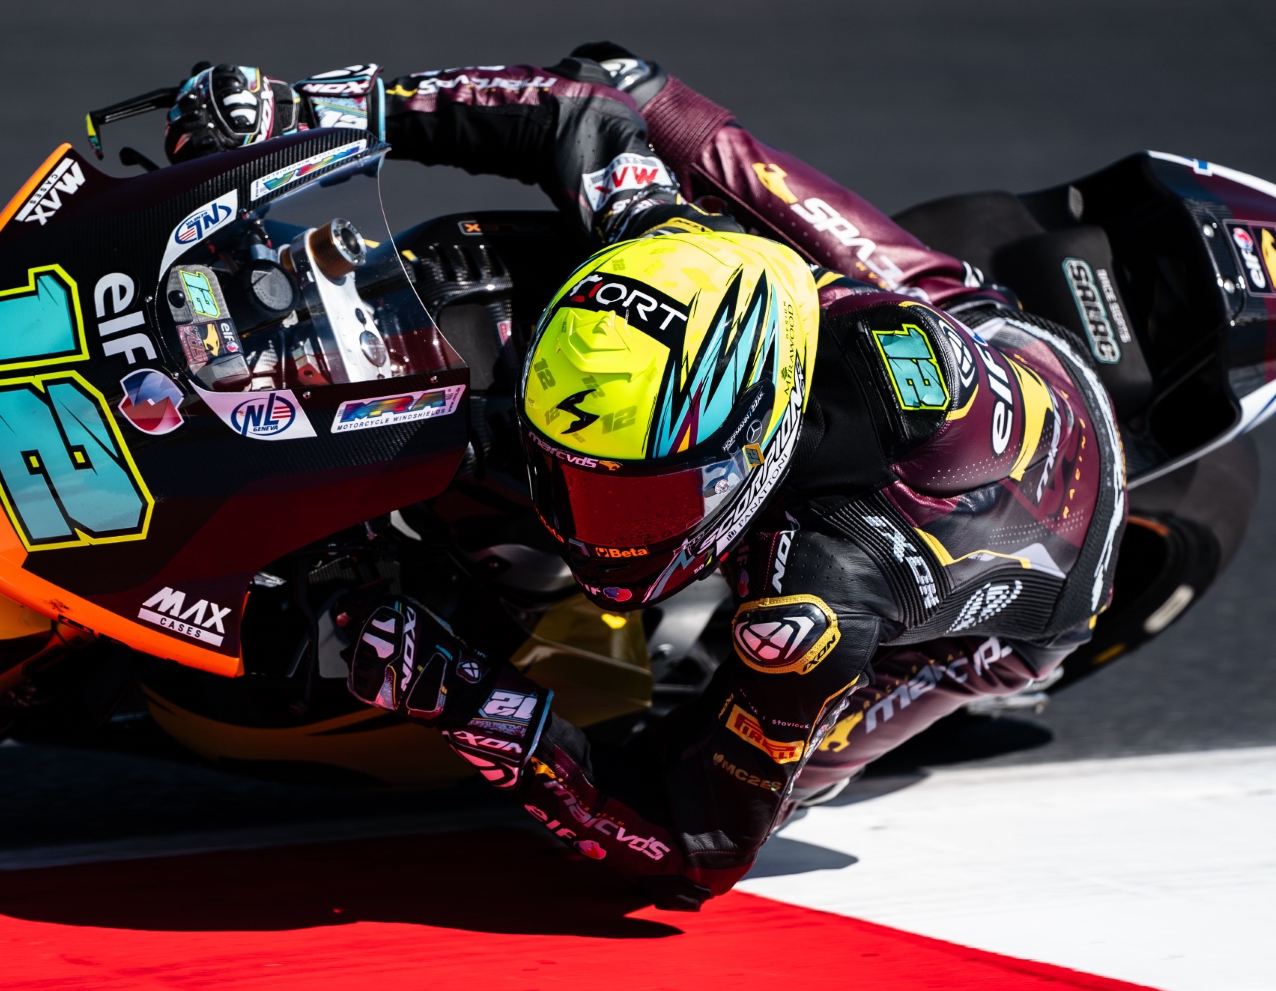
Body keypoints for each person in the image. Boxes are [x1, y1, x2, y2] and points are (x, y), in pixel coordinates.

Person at [162, 45, 1126, 910]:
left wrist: (466, 697)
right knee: (625, 80)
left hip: (1031, 576)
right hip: (960, 318)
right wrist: (310, 110)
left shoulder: (822, 592)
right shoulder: (668, 243)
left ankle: (961, 678)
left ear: (746, 457)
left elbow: (693, 849)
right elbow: (577, 109)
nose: (587, 526)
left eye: (635, 499)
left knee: (748, 768)